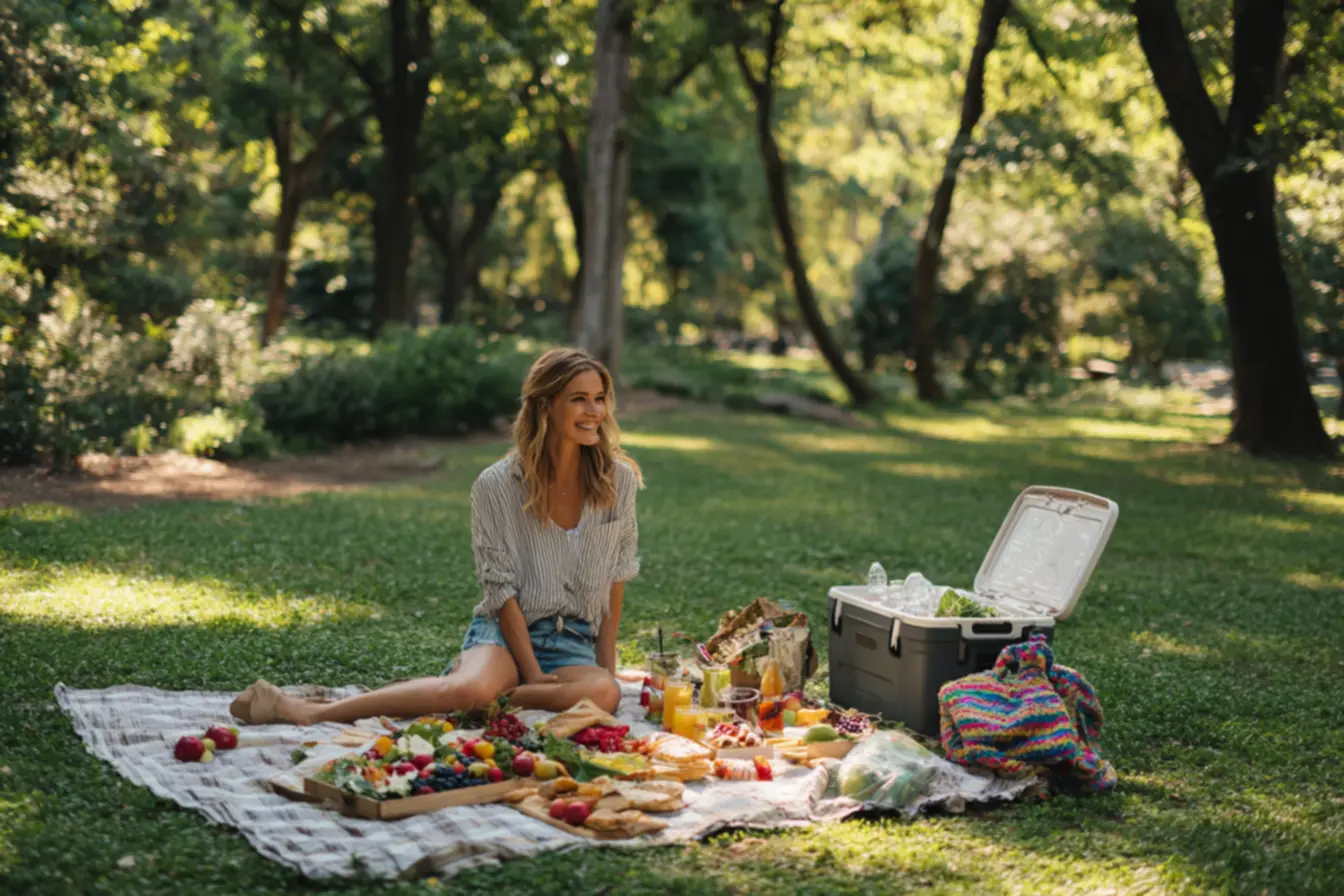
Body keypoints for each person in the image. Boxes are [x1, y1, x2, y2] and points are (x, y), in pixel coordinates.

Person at [229, 347, 642, 726]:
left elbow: (616, 578)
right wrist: (533, 675)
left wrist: (606, 666)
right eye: (579, 398)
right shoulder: (496, 485)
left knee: (604, 692)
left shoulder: (617, 481)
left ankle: (495, 697)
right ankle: (312, 712)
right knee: (471, 690)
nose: (595, 410)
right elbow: (500, 589)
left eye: (600, 397)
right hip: (504, 633)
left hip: (571, 641)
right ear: (545, 405)